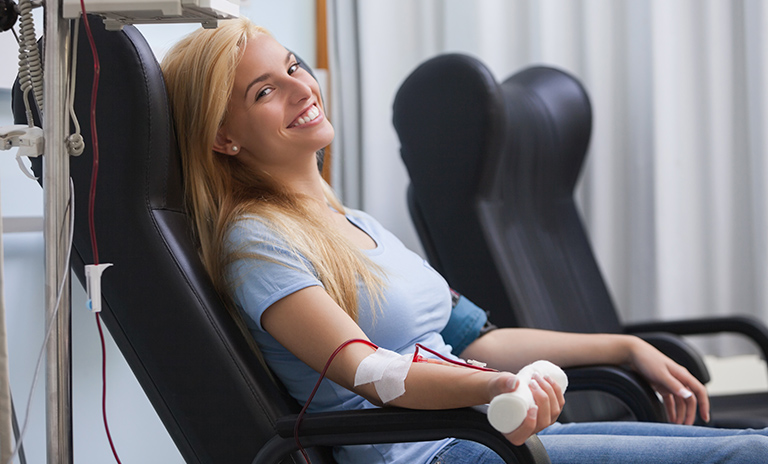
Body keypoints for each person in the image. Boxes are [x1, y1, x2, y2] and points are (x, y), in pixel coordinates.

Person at [160, 16, 768, 464]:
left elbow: (477, 338)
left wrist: (624, 346)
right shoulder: (257, 242)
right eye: (264, 91)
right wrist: (500, 387)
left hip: (486, 434)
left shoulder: (361, 225)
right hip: (437, 455)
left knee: (752, 445)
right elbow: (368, 370)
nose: (300, 88)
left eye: (293, 66)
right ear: (224, 139)